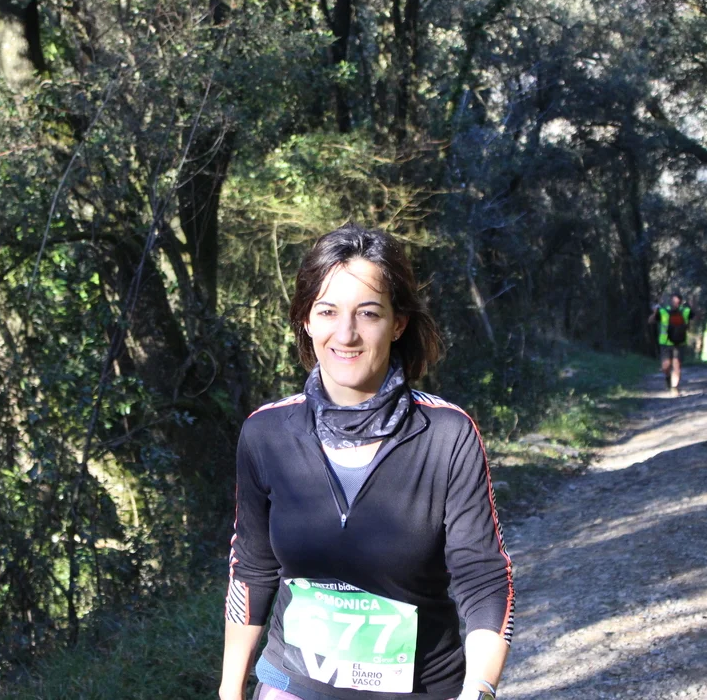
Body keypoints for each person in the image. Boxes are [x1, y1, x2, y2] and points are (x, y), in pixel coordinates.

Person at [219, 225, 513, 700]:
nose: (346, 334)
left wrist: (478, 689)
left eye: (369, 313)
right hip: (292, 685)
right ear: (306, 321)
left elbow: (483, 577)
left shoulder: (447, 434)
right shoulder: (265, 434)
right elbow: (251, 569)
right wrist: (230, 689)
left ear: (398, 323)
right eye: (327, 311)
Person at [648, 293, 691, 396]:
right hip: (665, 343)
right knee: (665, 366)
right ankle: (668, 378)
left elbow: (689, 323)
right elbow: (650, 321)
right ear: (670, 302)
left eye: (678, 302)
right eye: (674, 302)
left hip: (679, 343)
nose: (676, 304)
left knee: (677, 365)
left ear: (681, 303)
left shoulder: (685, 311)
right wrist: (655, 313)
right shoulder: (663, 312)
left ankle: (674, 388)